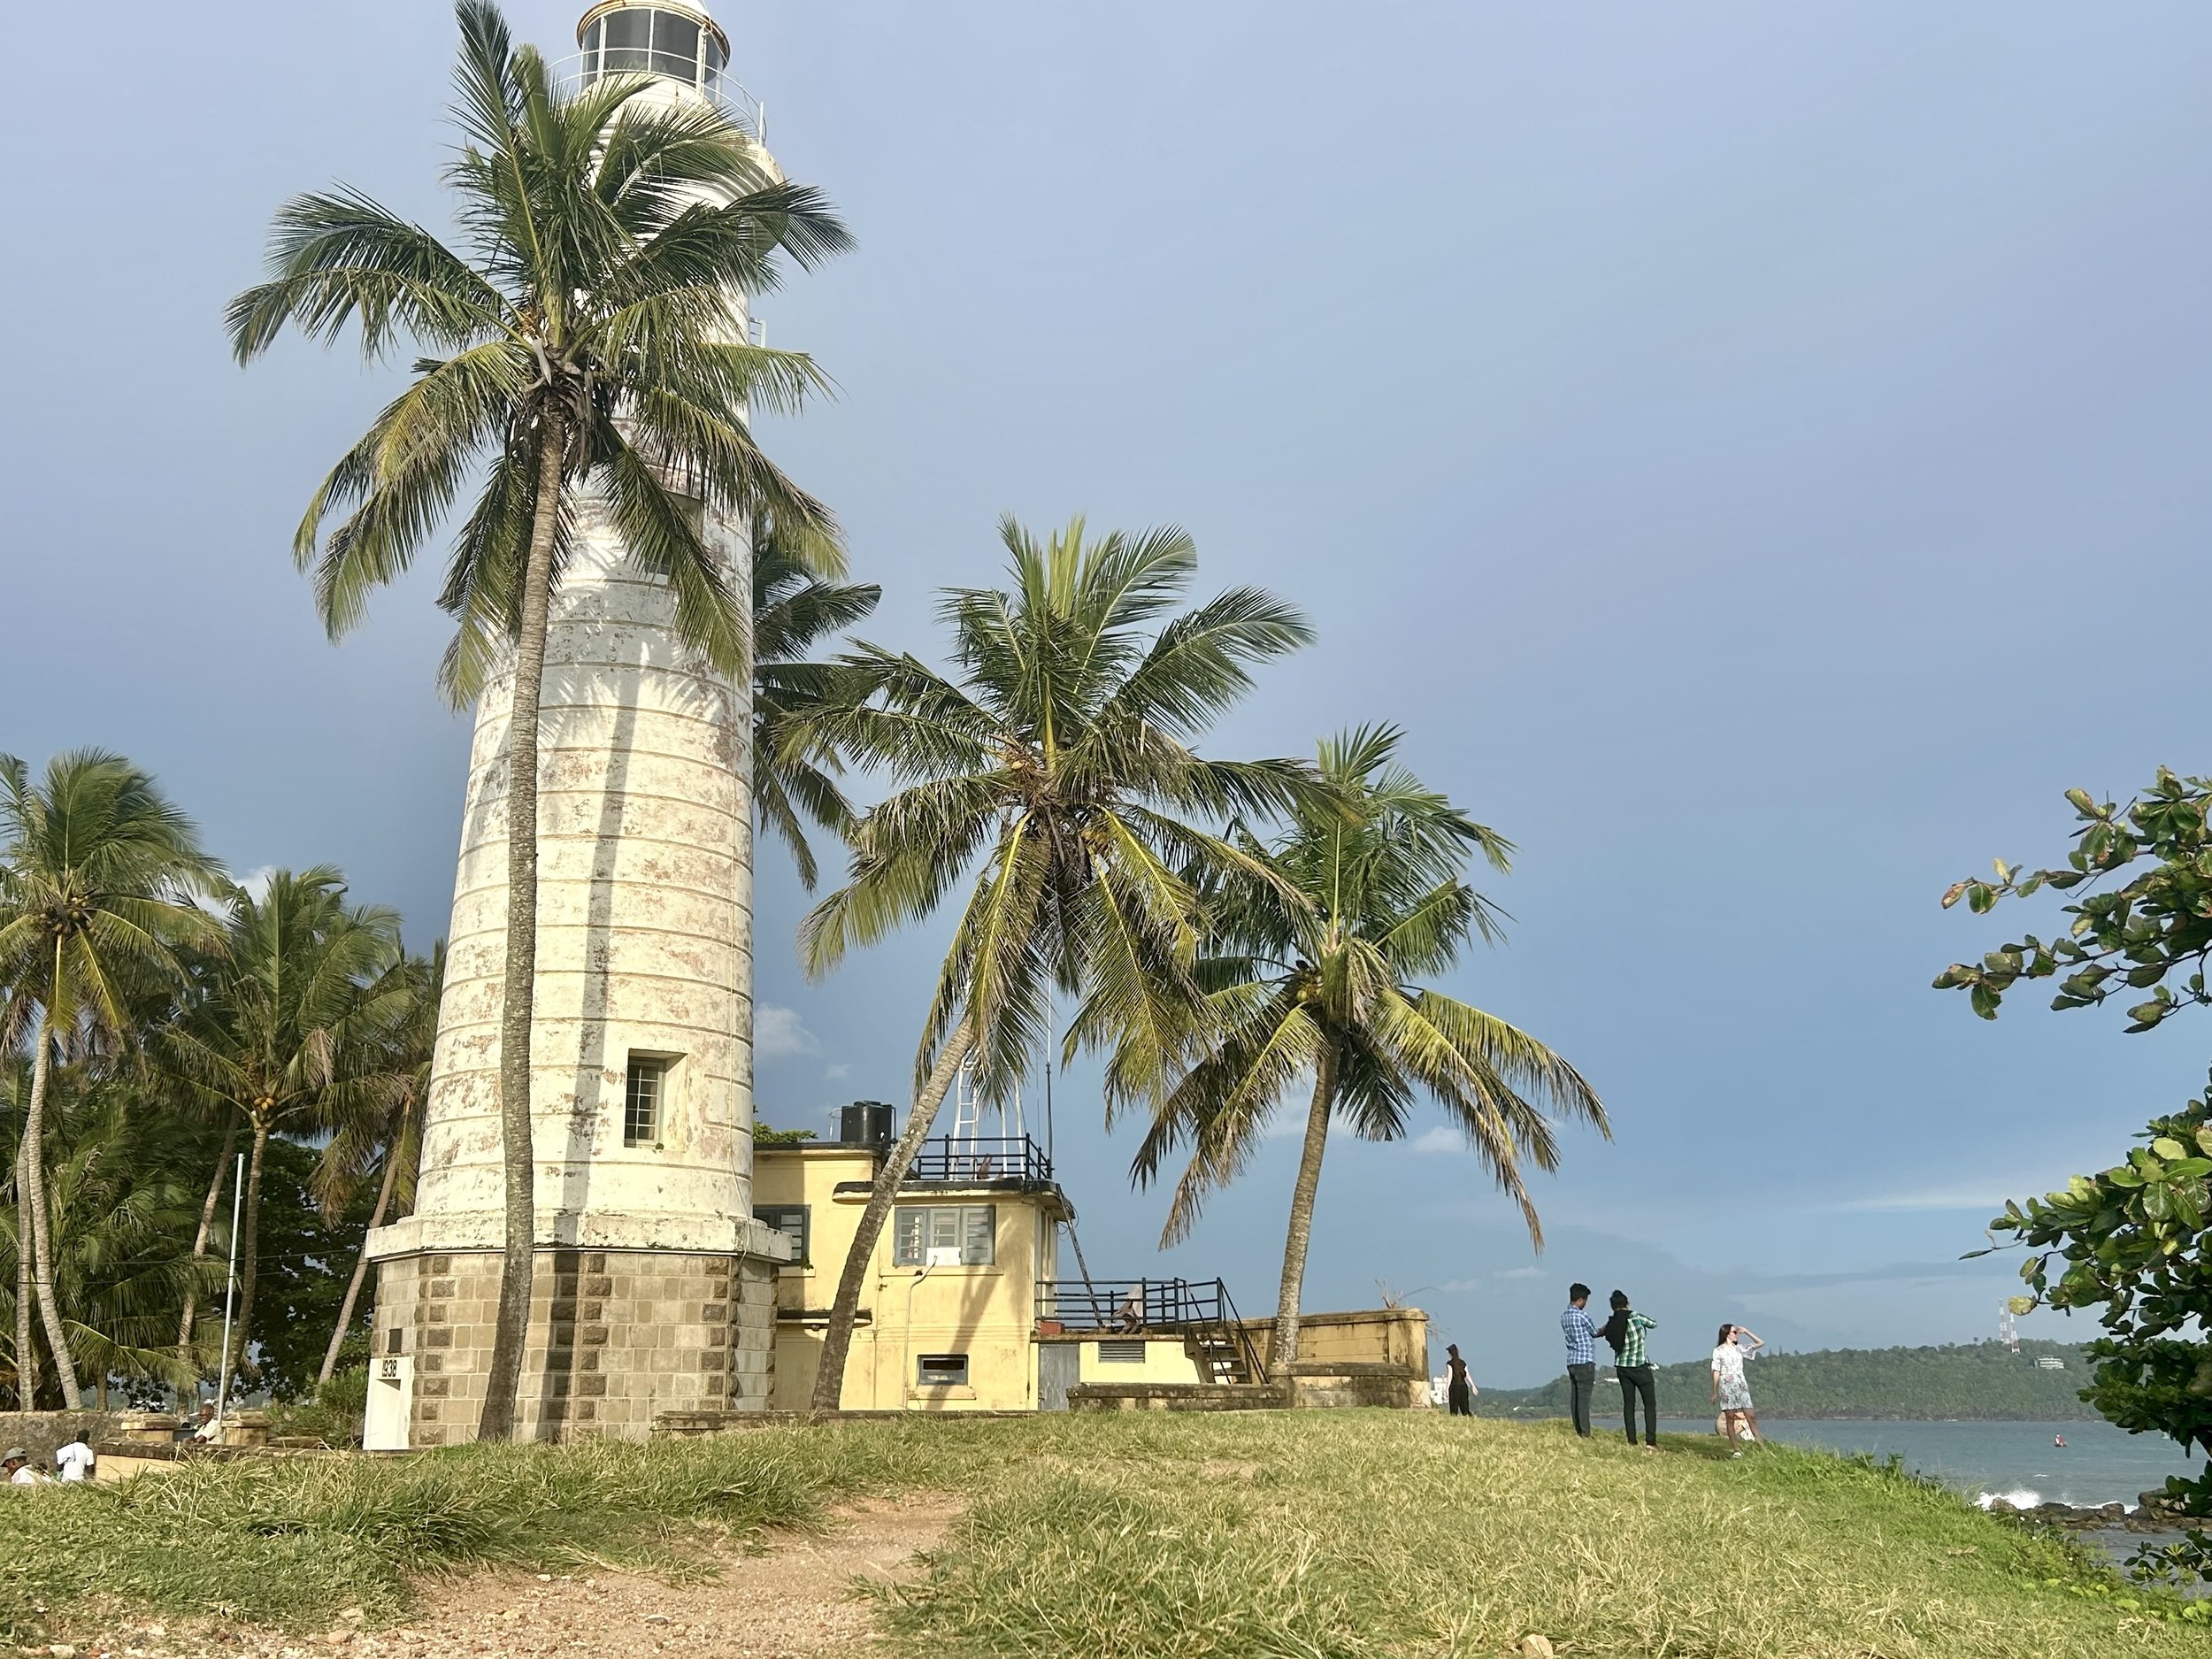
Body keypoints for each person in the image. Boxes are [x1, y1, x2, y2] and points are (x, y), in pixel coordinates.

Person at [1602, 1290, 1659, 1452]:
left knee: (1629, 1404)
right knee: (1649, 1404)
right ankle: (1650, 1441)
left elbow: (1604, 1333)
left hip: (1622, 1366)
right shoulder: (1635, 1317)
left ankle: (1632, 1441)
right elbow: (1653, 1323)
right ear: (1627, 1303)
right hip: (1639, 1366)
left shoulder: (1612, 1322)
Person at [1711, 1323, 1761, 1453]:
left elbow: (1760, 1343)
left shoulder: (1739, 1348)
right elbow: (1716, 1371)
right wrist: (1714, 1392)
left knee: (1751, 1416)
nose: (1736, 1334)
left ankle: (1762, 1446)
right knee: (1730, 1418)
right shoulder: (1718, 1351)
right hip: (1726, 1385)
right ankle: (1736, 1449)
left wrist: (1747, 1331)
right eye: (1734, 1332)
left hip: (1741, 1384)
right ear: (1727, 1334)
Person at [1561, 1284, 1600, 1438]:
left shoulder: (1564, 1316)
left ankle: (1578, 1429)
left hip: (1572, 1360)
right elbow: (1594, 1332)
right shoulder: (1582, 1316)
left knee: (1575, 1398)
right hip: (1585, 1359)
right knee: (1584, 1398)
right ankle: (1585, 1432)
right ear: (1580, 1300)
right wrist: (1605, 1329)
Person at [1444, 1343, 1477, 1417]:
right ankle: (1470, 1419)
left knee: (1454, 1408)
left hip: (1454, 1386)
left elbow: (1450, 1376)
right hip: (1463, 1386)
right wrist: (1473, 1386)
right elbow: (1467, 1375)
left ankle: (1454, 1421)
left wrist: (1447, 1389)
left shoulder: (1450, 1363)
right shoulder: (1463, 1363)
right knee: (1465, 1407)